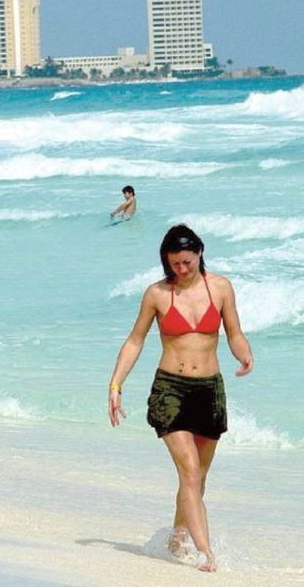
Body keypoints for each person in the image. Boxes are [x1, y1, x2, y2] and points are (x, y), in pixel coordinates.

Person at [107, 224, 253, 572]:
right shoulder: (157, 294)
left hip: (209, 392)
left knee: (197, 478)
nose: (181, 270)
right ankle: (206, 553)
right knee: (189, 471)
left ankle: (177, 536)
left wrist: (244, 355)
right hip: (170, 391)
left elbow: (234, 333)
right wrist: (115, 385)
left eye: (186, 262)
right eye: (174, 264)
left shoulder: (220, 288)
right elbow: (135, 340)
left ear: (199, 253)